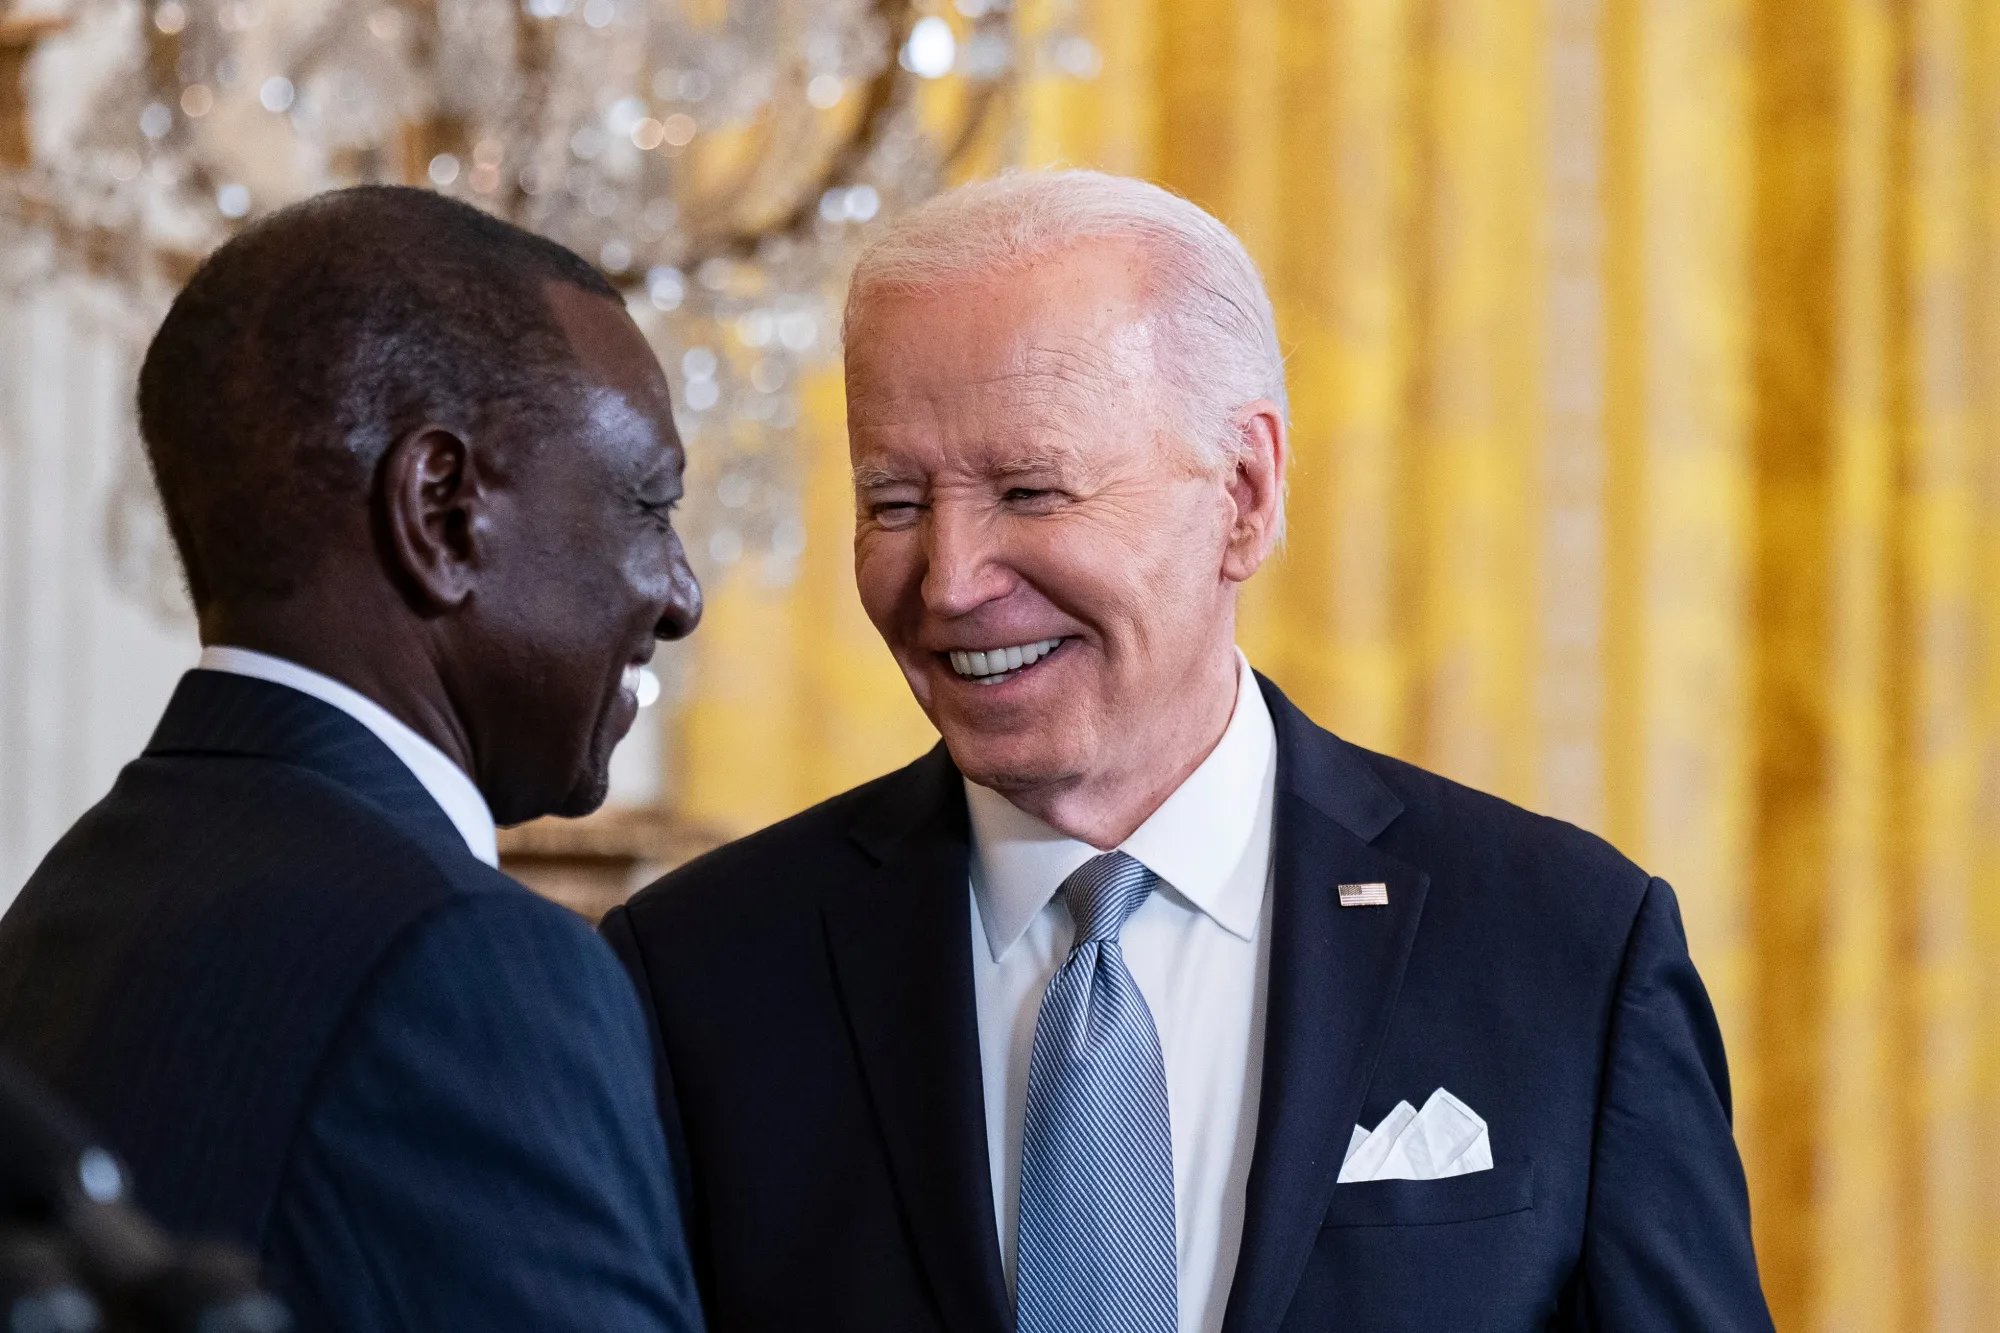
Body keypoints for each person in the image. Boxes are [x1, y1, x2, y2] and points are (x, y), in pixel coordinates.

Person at [603, 170, 1774, 1332]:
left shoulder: (1565, 952)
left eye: (1029, 489)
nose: (950, 581)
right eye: (895, 503)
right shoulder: (694, 974)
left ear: (1244, 494)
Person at [0, 186, 706, 1333]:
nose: (680, 593)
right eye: (647, 504)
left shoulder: (65, 907)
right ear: (442, 510)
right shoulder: (468, 962)